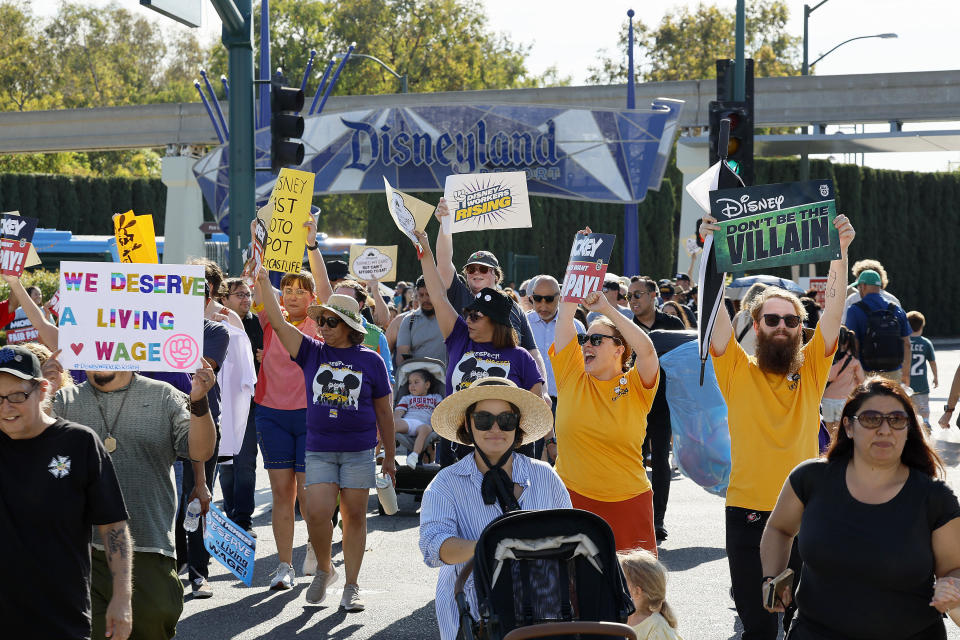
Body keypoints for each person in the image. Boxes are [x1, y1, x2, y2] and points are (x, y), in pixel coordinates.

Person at [699, 211, 854, 640]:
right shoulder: (735, 368)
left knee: (808, 625)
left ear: (800, 328)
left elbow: (835, 310)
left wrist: (840, 254)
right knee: (760, 627)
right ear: (756, 326)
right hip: (748, 514)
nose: (782, 327)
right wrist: (711, 253)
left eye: (791, 321)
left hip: (808, 512)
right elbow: (713, 314)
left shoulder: (812, 368)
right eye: (772, 319)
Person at [760, 379, 960, 639]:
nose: (885, 430)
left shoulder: (934, 498)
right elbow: (779, 528)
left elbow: (954, 568)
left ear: (908, 429)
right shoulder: (810, 479)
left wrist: (952, 591)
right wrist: (771, 578)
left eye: (897, 419)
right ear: (848, 426)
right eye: (871, 419)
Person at [256, 267, 396, 612]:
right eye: (322, 322)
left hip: (359, 451)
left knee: (355, 517)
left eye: (331, 323)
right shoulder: (311, 352)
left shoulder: (371, 360)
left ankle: (352, 586)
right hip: (318, 449)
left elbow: (385, 413)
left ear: (350, 327)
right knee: (316, 513)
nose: (323, 328)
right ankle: (324, 567)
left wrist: (390, 457)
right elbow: (281, 323)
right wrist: (262, 283)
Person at [50, 354, 217, 640]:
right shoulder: (62, 400)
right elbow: (39, 463)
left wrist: (200, 401)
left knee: (152, 627)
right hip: (80, 553)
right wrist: (40, 399)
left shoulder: (164, 396)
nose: (100, 354)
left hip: (150, 549)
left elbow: (200, 451)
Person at [419, 377, 571, 640]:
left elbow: (570, 543)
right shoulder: (446, 483)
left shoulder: (546, 476)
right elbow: (434, 547)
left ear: (517, 425)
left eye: (506, 419)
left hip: (543, 608)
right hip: (474, 611)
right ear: (468, 424)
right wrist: (490, 546)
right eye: (483, 419)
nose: (496, 428)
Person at [0, 345, 132, 640]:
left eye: (17, 396)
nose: (6, 407)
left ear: (43, 388)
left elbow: (113, 526)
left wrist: (122, 598)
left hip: (60, 619)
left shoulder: (79, 443)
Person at [551, 241, 660, 553]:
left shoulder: (636, 384)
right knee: (573, 594)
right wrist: (581, 261)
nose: (587, 344)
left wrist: (606, 309)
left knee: (637, 595)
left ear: (619, 348)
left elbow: (648, 351)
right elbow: (564, 317)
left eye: (597, 339)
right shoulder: (571, 375)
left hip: (629, 502)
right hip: (571, 498)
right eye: (585, 338)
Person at [414, 228, 545, 466]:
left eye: (476, 316)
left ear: (495, 322)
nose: (468, 320)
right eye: (469, 314)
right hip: (460, 445)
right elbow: (437, 294)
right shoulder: (459, 338)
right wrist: (424, 247)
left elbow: (531, 416)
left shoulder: (521, 358)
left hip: (507, 456)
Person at [432, 199, 550, 405]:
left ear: (496, 275)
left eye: (483, 269)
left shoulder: (512, 306)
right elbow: (443, 262)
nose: (476, 273)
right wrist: (445, 225)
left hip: (511, 398)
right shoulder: (459, 294)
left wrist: (544, 390)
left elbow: (533, 352)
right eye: (471, 269)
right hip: (466, 394)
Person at [250, 267, 320, 588]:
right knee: (282, 493)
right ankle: (284, 566)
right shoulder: (269, 318)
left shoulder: (320, 323)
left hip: (308, 416)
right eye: (287, 290)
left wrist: (311, 245)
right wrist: (257, 245)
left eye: (299, 291)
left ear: (312, 296)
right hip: (271, 414)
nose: (292, 296)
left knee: (307, 496)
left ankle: (315, 548)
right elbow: (258, 289)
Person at [627, 276, 684, 542]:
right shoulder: (625, 326)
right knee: (633, 460)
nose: (632, 300)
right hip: (633, 401)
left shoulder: (672, 324)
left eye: (637, 294)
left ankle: (657, 519)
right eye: (629, 296)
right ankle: (635, 515)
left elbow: (686, 362)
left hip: (663, 403)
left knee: (660, 459)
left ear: (653, 295)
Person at [217, 277, 264, 536]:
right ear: (223, 299)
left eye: (247, 295)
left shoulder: (255, 323)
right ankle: (231, 513)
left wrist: (265, 356)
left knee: (245, 462)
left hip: (249, 404)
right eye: (239, 295)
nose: (246, 300)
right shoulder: (214, 324)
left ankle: (243, 519)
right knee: (226, 464)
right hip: (222, 403)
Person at [526, 274, 583, 461]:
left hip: (565, 402)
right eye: (537, 299)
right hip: (531, 402)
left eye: (549, 299)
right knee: (531, 460)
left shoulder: (575, 326)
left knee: (564, 460)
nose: (543, 305)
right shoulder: (522, 324)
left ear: (559, 297)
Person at [843, 269, 911, 384]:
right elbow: (907, 344)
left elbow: (853, 344)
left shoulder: (854, 310)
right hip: (893, 371)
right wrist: (905, 374)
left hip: (865, 372)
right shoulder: (897, 310)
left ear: (863, 286)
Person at [619, 549, 683, 640]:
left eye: (621, 583)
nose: (616, 587)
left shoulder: (656, 628)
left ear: (637, 592)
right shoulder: (618, 616)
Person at [394, 368, 443, 468]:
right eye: (410, 383)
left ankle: (414, 455)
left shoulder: (435, 397)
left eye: (416, 382)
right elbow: (398, 413)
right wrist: (394, 421)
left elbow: (441, 412)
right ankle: (387, 453)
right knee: (390, 425)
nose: (412, 385)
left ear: (427, 385)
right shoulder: (407, 398)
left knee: (426, 428)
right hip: (408, 423)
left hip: (425, 425)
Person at [821, 327, 865, 436]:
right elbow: (862, 381)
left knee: (828, 430)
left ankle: (828, 451)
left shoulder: (827, 359)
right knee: (840, 430)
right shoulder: (853, 361)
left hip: (827, 399)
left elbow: (828, 377)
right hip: (844, 399)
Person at [395, 276, 447, 365]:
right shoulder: (409, 321)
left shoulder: (448, 318)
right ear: (416, 295)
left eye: (429, 295)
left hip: (445, 376)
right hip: (417, 375)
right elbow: (401, 357)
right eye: (421, 295)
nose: (425, 299)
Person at [908, 311, 938, 431]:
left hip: (907, 383)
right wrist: (936, 377)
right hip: (922, 384)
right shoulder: (926, 343)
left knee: (909, 407)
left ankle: (910, 426)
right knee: (924, 408)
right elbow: (932, 362)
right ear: (922, 326)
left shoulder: (904, 342)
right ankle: (925, 422)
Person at [731, 283, 769, 357]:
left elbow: (731, 341)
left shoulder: (738, 316)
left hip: (741, 360)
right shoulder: (766, 318)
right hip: (759, 361)